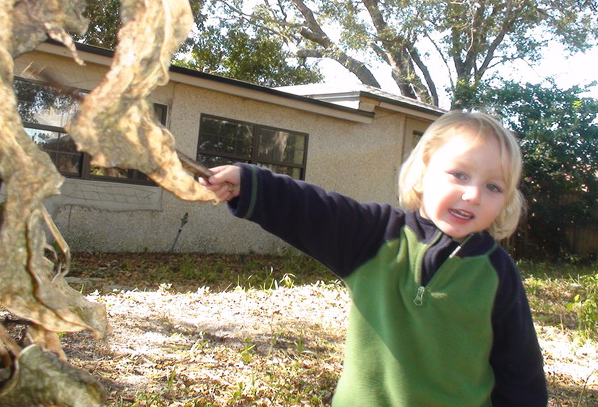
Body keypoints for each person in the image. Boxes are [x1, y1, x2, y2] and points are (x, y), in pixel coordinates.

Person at [201, 110, 548, 406]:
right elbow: (314, 210)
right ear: (424, 172)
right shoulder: (375, 234)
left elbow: (520, 370)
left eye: (493, 187)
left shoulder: (497, 273)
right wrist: (251, 184)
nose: (473, 194)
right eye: (459, 174)